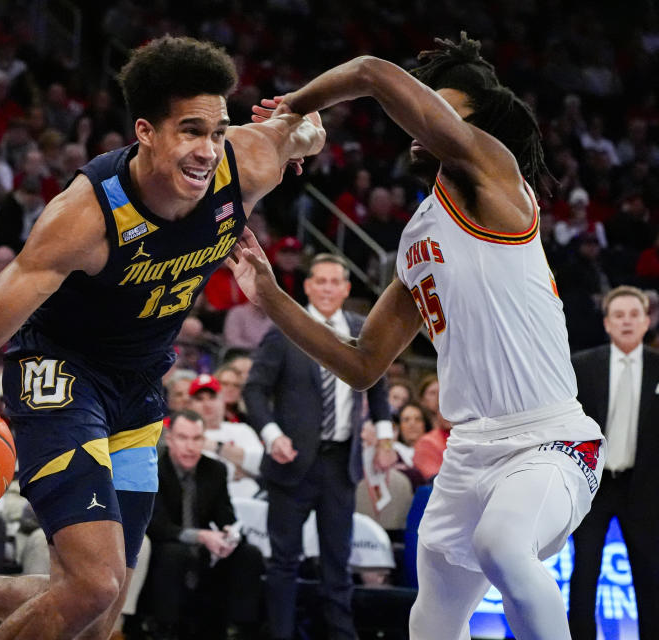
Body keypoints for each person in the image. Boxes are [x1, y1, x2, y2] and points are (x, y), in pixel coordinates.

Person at [0, 35, 324, 640]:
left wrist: (306, 133)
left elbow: (301, 132)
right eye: (190, 131)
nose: (208, 151)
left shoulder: (246, 164)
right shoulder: (86, 216)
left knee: (96, 612)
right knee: (94, 585)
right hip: (58, 375)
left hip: (138, 386)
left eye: (218, 132)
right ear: (145, 131)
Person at [227, 33, 606, 640]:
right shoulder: (417, 236)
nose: (421, 114)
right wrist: (270, 295)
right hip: (468, 452)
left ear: (470, 131)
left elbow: (374, 72)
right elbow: (361, 364)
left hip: (549, 440)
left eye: (439, 104)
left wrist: (291, 109)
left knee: (504, 547)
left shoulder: (496, 178)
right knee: (430, 618)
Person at [242, 253, 392, 640]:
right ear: (308, 287)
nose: (327, 288)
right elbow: (254, 390)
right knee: (283, 563)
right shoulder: (286, 329)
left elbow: (377, 389)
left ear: (346, 288)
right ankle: (280, 635)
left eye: (334, 282)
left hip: (341, 463)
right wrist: (273, 435)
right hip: (291, 464)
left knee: (338, 564)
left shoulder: (363, 330)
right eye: (319, 281)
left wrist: (386, 437)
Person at [569, 286, 659, 640]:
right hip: (595, 485)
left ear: (646, 321)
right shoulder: (581, 366)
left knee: (650, 575)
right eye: (618, 315)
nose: (626, 321)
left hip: (645, 487)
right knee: (584, 570)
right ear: (606, 323)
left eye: (633, 315)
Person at [142, 410, 263, 638]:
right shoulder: (154, 467)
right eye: (183, 438)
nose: (190, 446)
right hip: (164, 549)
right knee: (173, 553)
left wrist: (230, 534)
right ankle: (164, 630)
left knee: (249, 554)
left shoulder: (215, 470)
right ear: (169, 439)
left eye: (197, 439)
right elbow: (156, 526)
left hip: (203, 556)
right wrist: (202, 536)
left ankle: (239, 630)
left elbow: (226, 517)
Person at [187, 374, 263, 498]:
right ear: (190, 405)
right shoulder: (186, 435)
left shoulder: (242, 429)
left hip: (252, 500)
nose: (207, 404)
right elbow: (201, 475)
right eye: (199, 399)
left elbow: (261, 465)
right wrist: (241, 467)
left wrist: (218, 447)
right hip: (209, 502)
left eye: (212, 397)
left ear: (222, 400)